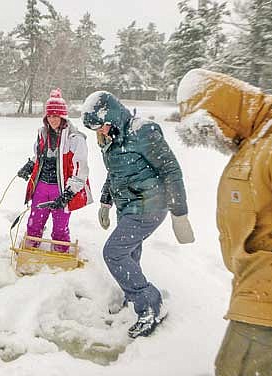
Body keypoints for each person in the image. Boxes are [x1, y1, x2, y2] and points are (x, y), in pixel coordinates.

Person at [176, 68, 272, 375]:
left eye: (213, 128)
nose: (220, 140)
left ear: (222, 110)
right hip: (257, 296)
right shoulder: (257, 141)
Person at [81, 91, 195, 339]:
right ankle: (133, 296)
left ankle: (151, 304)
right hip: (127, 206)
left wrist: (179, 213)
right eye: (95, 129)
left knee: (113, 253)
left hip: (150, 206)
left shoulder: (142, 132)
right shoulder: (110, 139)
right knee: (130, 254)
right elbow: (115, 173)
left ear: (110, 115)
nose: (99, 132)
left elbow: (171, 171)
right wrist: (105, 201)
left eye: (100, 125)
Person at [17, 88, 92, 251]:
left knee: (60, 228)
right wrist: (31, 165)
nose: (52, 119)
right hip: (41, 187)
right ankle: (30, 249)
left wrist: (68, 194)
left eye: (55, 115)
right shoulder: (42, 134)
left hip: (61, 189)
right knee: (34, 223)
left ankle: (60, 256)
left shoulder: (75, 139)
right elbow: (38, 156)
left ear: (63, 116)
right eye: (49, 116)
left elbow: (81, 171)